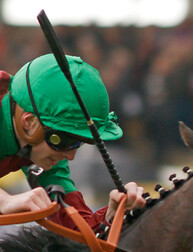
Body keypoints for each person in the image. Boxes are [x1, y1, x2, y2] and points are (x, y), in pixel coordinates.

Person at [0, 55, 145, 231]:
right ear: (30, 123)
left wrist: (112, 216)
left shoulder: (45, 153)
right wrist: (4, 200)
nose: (71, 155)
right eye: (65, 141)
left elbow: (78, 232)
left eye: (78, 143)